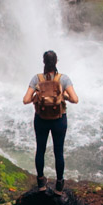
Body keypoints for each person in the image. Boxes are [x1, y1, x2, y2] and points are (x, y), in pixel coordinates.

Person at [23, 49, 78, 194]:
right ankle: (59, 186)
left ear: (43, 62)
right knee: (58, 152)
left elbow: (25, 100)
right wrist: (63, 96)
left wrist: (37, 97)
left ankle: (41, 183)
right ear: (56, 62)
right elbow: (75, 99)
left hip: (41, 119)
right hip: (59, 120)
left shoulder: (37, 79)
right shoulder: (63, 79)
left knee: (40, 150)